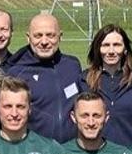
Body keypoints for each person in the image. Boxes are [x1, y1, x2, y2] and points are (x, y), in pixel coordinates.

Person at [5, 13, 82, 142]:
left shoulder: (72, 66)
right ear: (28, 38)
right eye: (38, 36)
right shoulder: (17, 73)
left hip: (71, 148)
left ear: (60, 37)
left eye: (50, 35)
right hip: (35, 149)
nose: (44, 42)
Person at [81, 24, 132, 147]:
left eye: (116, 45)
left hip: (130, 151)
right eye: (105, 45)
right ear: (98, 49)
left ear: (125, 49)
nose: (111, 51)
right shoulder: (84, 80)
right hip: (96, 152)